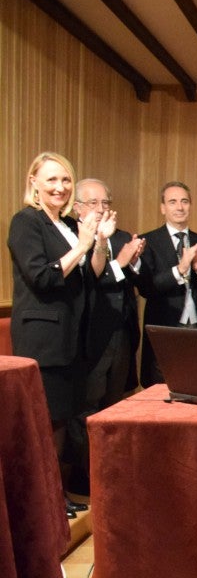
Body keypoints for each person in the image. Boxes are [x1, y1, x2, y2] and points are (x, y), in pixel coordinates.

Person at [7, 152, 106, 518]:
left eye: (65, 180)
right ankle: (44, 503)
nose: (60, 187)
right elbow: (44, 277)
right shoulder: (26, 222)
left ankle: (56, 495)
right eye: (51, 180)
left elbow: (90, 277)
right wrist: (81, 243)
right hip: (43, 343)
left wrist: (97, 241)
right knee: (46, 423)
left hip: (71, 341)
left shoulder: (65, 225)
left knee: (62, 420)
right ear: (33, 181)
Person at [66, 178, 146, 496]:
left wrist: (135, 259)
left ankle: (111, 476)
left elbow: (139, 279)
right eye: (93, 203)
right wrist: (122, 262)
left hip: (122, 332)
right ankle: (84, 480)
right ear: (77, 208)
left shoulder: (122, 235)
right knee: (87, 406)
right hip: (89, 336)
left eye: (105, 203)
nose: (101, 210)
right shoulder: (73, 237)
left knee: (114, 406)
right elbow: (88, 282)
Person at [137, 181, 197, 387]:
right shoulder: (148, 241)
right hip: (165, 329)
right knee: (161, 391)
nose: (179, 207)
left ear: (190, 206)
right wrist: (180, 269)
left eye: (184, 201)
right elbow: (147, 288)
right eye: (173, 202)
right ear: (163, 208)